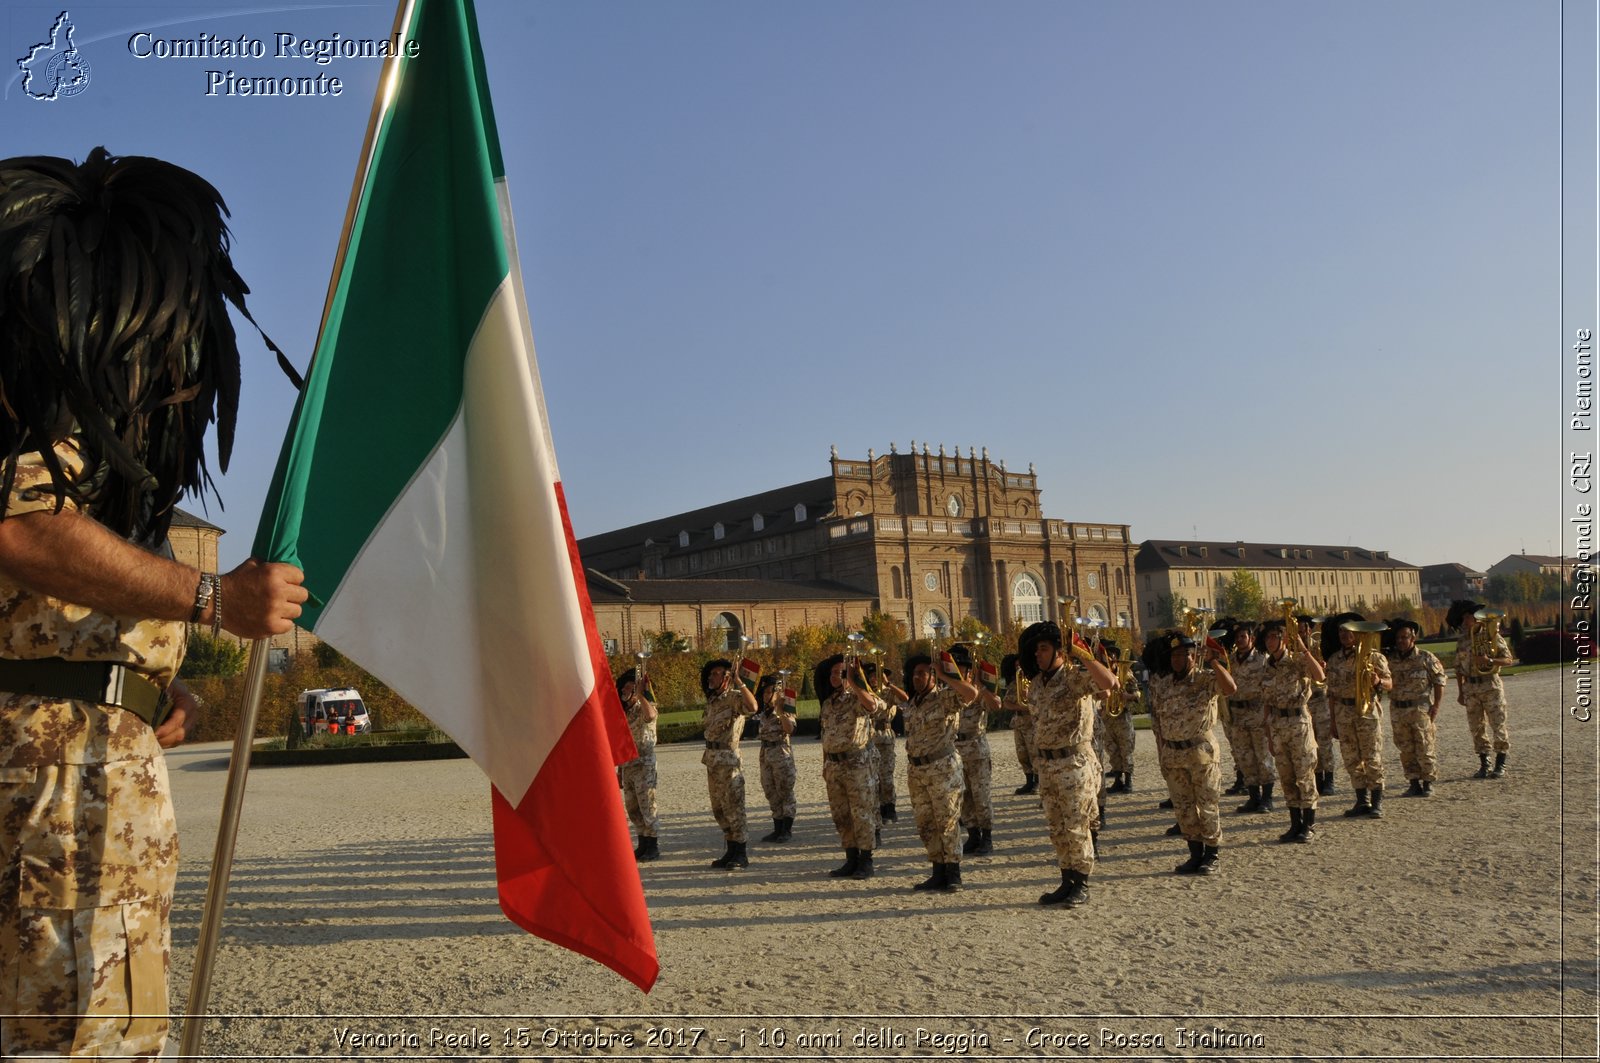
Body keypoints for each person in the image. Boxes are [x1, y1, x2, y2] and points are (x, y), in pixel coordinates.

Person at [0, 148, 308, 1058]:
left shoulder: (110, 472)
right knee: (55, 1043)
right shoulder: (27, 434)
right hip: (47, 781)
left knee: (116, 1034)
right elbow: (24, 531)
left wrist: (146, 685)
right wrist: (210, 596)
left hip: (105, 768)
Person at [1021, 621, 1116, 907]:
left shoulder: (1075, 678)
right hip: (1048, 765)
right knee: (1057, 826)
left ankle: (1082, 882)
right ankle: (1067, 880)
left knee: (1077, 825)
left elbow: (1109, 683)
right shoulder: (1036, 684)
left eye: (1044, 648)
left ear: (1059, 651)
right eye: (1036, 649)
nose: (1037, 654)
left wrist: (1084, 655)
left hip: (1074, 762)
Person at [1142, 630, 1237, 875]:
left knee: (1207, 805)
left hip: (1200, 752)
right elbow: (1161, 720)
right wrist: (1162, 750)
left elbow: (1230, 688)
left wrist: (1214, 662)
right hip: (1173, 753)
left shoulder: (1204, 680)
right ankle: (1195, 854)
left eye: (1182, 655)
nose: (1176, 660)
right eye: (1174, 655)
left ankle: (1212, 853)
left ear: (1193, 656)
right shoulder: (1164, 683)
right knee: (1183, 808)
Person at [899, 653, 977, 891]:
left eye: (923, 673)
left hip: (942, 768)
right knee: (926, 823)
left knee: (947, 821)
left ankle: (954, 873)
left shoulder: (944, 698)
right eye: (915, 674)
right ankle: (937, 870)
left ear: (932, 676)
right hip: (918, 770)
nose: (917, 678)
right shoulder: (912, 704)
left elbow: (971, 694)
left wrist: (945, 675)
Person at [814, 652, 886, 879]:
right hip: (834, 766)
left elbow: (874, 707)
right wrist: (825, 764)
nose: (836, 676)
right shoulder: (828, 702)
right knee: (841, 816)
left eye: (841, 673)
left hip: (857, 765)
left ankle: (866, 860)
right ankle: (851, 858)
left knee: (862, 814)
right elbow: (827, 736)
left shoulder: (859, 697)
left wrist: (856, 684)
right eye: (834, 673)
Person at [1256, 620, 1327, 842]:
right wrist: (1269, 735)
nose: (1269, 642)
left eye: (1274, 637)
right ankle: (1295, 824)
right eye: (1267, 638)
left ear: (1284, 639)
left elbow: (1320, 676)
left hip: (1298, 722)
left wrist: (1303, 648)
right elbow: (1267, 701)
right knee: (1287, 777)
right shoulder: (1267, 667)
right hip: (1277, 725)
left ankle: (1309, 825)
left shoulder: (1297, 661)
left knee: (1304, 774)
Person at [1322, 613, 1394, 818]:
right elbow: (1332, 694)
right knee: (1351, 758)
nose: (1344, 635)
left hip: (1367, 712)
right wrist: (1333, 722)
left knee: (1372, 757)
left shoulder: (1374, 657)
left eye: (1348, 631)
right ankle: (1362, 800)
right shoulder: (1334, 660)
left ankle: (1377, 801)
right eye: (1341, 631)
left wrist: (1378, 681)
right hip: (1343, 712)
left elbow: (1390, 684)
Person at [699, 658, 758, 869]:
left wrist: (740, 682)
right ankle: (730, 849)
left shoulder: (734, 697)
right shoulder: (713, 701)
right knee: (719, 809)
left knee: (734, 807)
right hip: (712, 760)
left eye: (716, 674)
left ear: (726, 677)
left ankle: (741, 853)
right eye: (710, 673)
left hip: (728, 760)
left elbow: (752, 707)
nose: (710, 677)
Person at [1448, 600, 1516, 778]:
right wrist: (1460, 692)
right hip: (1470, 687)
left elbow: (1508, 660)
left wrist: (1490, 661)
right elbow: (1458, 668)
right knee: (1476, 727)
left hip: (1490, 684)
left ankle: (1500, 762)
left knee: (1497, 724)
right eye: (1463, 618)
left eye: (1468, 617)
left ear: (1476, 618)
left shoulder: (1491, 636)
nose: (1464, 621)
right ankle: (1484, 762)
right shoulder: (1462, 640)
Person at [1384, 619, 1447, 796]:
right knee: (1405, 748)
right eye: (1398, 638)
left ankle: (1428, 782)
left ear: (1413, 638)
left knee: (1425, 746)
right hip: (1398, 710)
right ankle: (1413, 782)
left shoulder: (1425, 658)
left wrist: (1436, 705)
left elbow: (1439, 681)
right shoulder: (1390, 659)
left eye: (1405, 637)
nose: (1401, 641)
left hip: (1420, 709)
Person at [1225, 623, 1276, 814]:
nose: (1240, 641)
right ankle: (1253, 798)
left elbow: (1271, 683)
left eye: (1243, 637)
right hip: (1238, 716)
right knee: (1245, 757)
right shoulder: (1230, 661)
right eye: (1237, 637)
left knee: (1263, 756)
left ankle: (1267, 798)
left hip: (1257, 713)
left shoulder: (1263, 659)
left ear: (1251, 639)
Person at [952, 644, 996, 856]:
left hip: (976, 749)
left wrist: (984, 688)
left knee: (981, 795)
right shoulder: (949, 694)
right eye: (956, 668)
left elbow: (996, 705)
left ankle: (986, 837)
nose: (959, 672)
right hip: (955, 750)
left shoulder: (978, 692)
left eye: (963, 668)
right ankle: (973, 835)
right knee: (963, 796)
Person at [615, 667, 660, 859]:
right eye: (624, 688)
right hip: (628, 765)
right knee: (633, 808)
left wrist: (641, 695)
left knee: (647, 806)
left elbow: (650, 716)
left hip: (644, 764)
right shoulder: (623, 713)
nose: (625, 691)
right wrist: (619, 770)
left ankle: (652, 845)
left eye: (629, 688)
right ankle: (642, 842)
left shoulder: (645, 706)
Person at [754, 673, 798, 842]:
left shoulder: (785, 709)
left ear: (778, 693)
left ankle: (786, 829)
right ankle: (777, 828)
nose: (766, 696)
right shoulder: (764, 713)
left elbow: (790, 730)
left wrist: (781, 712)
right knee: (770, 791)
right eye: (764, 693)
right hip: (765, 754)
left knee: (785, 790)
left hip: (781, 754)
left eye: (769, 692)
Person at [1099, 643, 1137, 794]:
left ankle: (1128, 781)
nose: (1110, 658)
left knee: (1126, 749)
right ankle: (1117, 780)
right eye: (1107, 655)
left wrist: (1127, 696)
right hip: (1107, 718)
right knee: (1112, 750)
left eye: (1112, 655)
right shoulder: (1100, 675)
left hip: (1122, 717)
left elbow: (1137, 694)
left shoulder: (1126, 674)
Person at [1002, 653, 1039, 794]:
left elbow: (1038, 704)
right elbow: (1006, 702)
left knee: (1034, 753)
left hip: (1031, 723)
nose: (1018, 668)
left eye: (1020, 665)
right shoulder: (1014, 683)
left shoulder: (1034, 682)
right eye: (1016, 666)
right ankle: (1029, 781)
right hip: (1019, 722)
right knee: (1022, 754)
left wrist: (1025, 704)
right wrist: (1021, 707)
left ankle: (1037, 782)